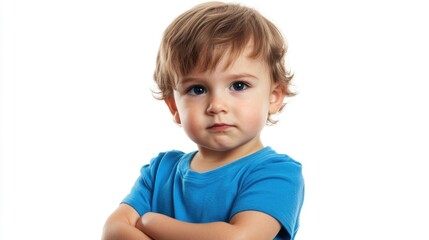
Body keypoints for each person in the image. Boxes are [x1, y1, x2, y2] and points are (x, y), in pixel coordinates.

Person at [102, 1, 304, 239]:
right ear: (174, 106)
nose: (217, 105)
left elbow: (238, 237)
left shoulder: (276, 173)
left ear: (274, 97)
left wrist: (151, 222)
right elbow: (114, 230)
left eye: (239, 85)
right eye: (197, 89)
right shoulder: (160, 171)